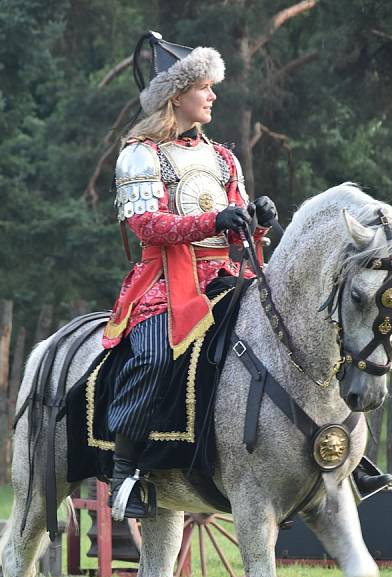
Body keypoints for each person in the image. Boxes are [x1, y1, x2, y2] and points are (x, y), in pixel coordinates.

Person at [102, 31, 277, 519]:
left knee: (286, 333)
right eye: (205, 86)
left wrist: (256, 217)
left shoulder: (223, 158)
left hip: (224, 277)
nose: (213, 96)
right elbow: (145, 226)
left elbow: (236, 227)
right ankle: (126, 472)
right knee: (156, 354)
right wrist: (211, 220)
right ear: (177, 94)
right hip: (162, 285)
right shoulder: (140, 153)